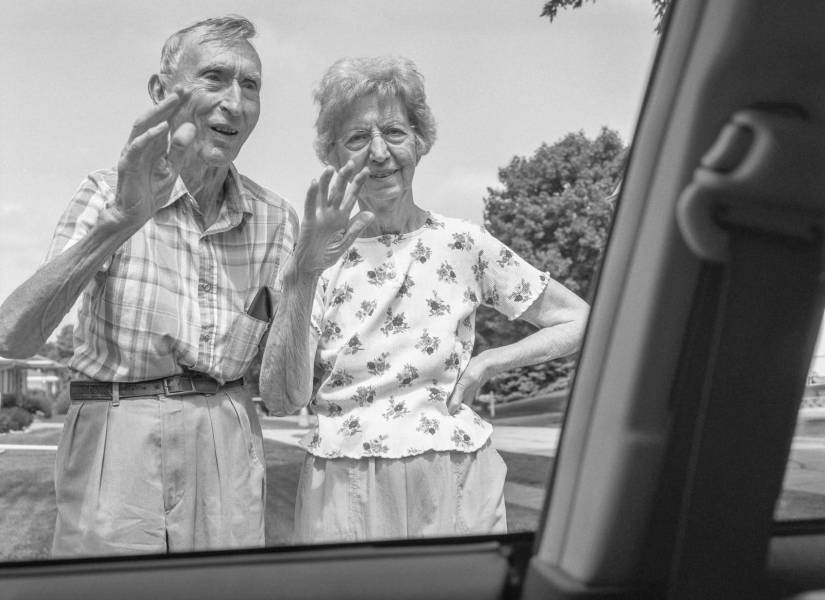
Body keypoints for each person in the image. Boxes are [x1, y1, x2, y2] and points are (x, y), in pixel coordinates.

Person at [259, 56, 589, 543]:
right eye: (356, 138)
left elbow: (581, 320)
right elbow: (283, 399)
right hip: (343, 482)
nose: (378, 152)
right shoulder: (313, 257)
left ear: (420, 141)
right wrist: (301, 275)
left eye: (394, 132)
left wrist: (491, 362)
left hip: (455, 473)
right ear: (332, 155)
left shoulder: (463, 244)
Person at [0, 16, 298, 556]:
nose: (236, 101)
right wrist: (121, 221)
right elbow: (13, 339)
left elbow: (284, 391)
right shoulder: (104, 192)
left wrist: (310, 280)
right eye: (215, 78)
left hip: (228, 433)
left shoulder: (277, 218)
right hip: (117, 431)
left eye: (250, 84)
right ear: (162, 92)